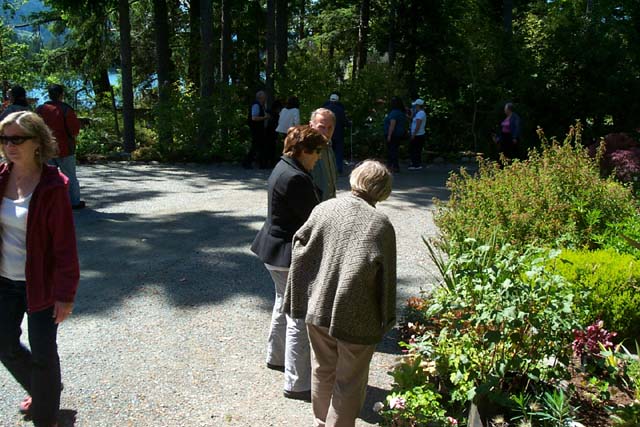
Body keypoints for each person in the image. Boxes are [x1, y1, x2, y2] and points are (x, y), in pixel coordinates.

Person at [284, 160, 397, 427]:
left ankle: (320, 422)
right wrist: (386, 318)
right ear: (383, 190)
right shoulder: (380, 224)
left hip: (318, 305)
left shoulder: (324, 209)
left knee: (323, 369)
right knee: (349, 380)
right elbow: (387, 277)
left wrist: (300, 297)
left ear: (355, 178)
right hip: (358, 315)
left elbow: (299, 248)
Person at [0, 111, 80, 427]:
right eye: (5, 139)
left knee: (44, 353)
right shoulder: (1, 177)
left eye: (18, 139)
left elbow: (65, 246)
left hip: (42, 284)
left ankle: (46, 416)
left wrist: (65, 295)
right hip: (5, 281)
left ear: (38, 142)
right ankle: (44, 389)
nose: (10, 145)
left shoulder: (53, 186)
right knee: (5, 344)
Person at [251, 125, 329, 402]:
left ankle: (276, 357)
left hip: (274, 251)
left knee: (282, 302)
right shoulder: (296, 177)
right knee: (298, 316)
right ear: (303, 150)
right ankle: (297, 384)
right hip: (287, 255)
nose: (318, 158)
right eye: (316, 152)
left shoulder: (283, 166)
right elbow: (314, 217)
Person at [35, 84, 84, 210]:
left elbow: (35, 129)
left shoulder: (40, 109)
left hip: (46, 148)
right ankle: (74, 202)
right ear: (62, 95)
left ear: (49, 95)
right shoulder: (66, 109)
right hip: (65, 149)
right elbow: (74, 130)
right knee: (70, 176)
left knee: (47, 177)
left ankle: (49, 203)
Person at [309, 108, 338, 201]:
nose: (326, 132)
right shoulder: (306, 150)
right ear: (311, 126)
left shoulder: (329, 146)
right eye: (321, 127)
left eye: (330, 128)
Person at [243, 90, 270, 169]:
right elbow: (254, 118)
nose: (265, 98)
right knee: (256, 146)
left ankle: (262, 164)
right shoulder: (256, 105)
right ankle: (247, 162)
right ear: (261, 98)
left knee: (260, 146)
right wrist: (265, 117)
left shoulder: (261, 105)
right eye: (264, 97)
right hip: (256, 129)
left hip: (259, 129)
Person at [322, 93, 348, 174]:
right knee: (338, 152)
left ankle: (327, 168)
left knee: (327, 151)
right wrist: (349, 124)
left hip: (327, 133)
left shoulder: (324, 109)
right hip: (338, 134)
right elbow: (344, 122)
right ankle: (338, 169)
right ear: (337, 100)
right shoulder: (340, 109)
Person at [383, 97, 408, 173]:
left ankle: (393, 166)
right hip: (399, 134)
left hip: (393, 134)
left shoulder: (394, 113)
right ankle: (392, 165)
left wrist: (389, 135)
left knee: (391, 150)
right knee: (394, 150)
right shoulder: (402, 113)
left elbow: (392, 124)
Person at [408, 98, 427, 170]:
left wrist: (413, 134)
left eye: (416, 105)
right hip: (418, 134)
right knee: (415, 149)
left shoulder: (420, 113)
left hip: (418, 135)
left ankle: (416, 165)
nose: (415, 107)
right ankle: (416, 163)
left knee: (415, 149)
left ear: (418, 105)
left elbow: (418, 125)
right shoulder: (419, 113)